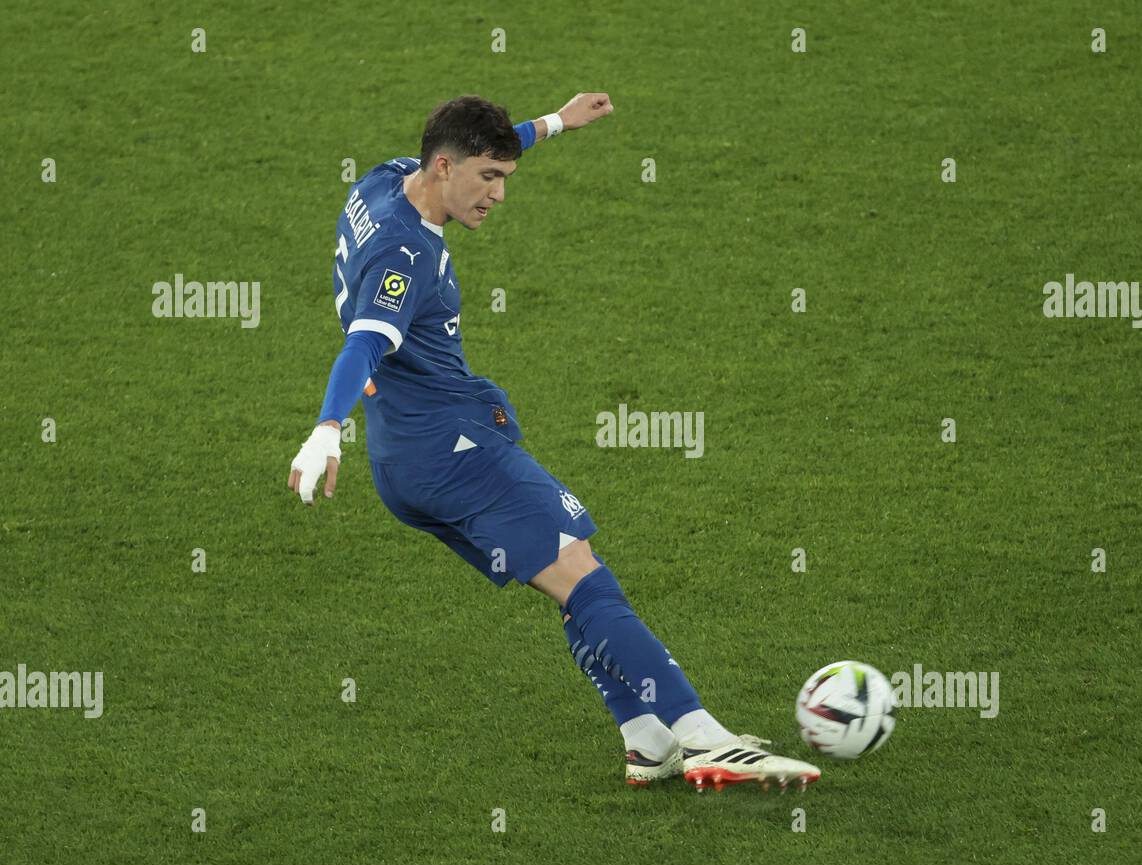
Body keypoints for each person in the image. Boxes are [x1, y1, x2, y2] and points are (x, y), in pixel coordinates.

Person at [288, 94, 819, 792]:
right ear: (444, 168)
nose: (499, 195)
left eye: (504, 175)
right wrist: (326, 428)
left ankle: (647, 741)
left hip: (407, 457)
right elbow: (363, 345)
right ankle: (704, 737)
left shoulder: (384, 180)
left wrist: (557, 123)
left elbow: (478, 151)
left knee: (574, 571)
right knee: (584, 578)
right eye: (488, 179)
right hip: (449, 451)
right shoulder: (405, 252)